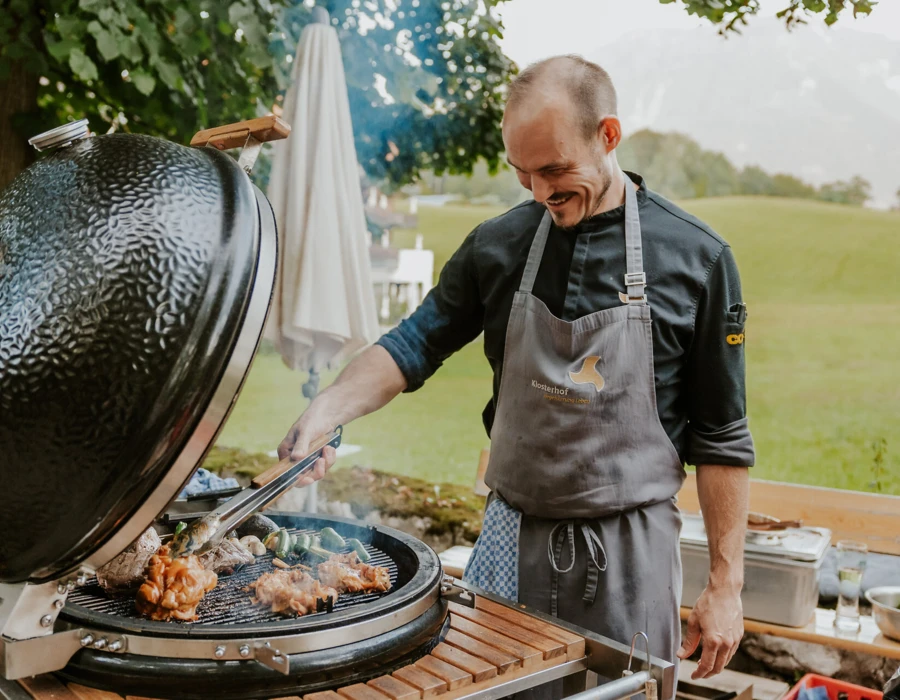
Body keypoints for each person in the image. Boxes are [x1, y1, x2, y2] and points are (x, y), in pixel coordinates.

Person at [279, 55, 753, 697]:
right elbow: (412, 345)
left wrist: (726, 582)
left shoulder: (697, 259)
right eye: (522, 173)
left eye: (555, 170)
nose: (538, 193)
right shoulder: (498, 245)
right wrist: (325, 410)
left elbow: (721, 436)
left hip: (629, 558)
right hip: (511, 537)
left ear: (607, 136)